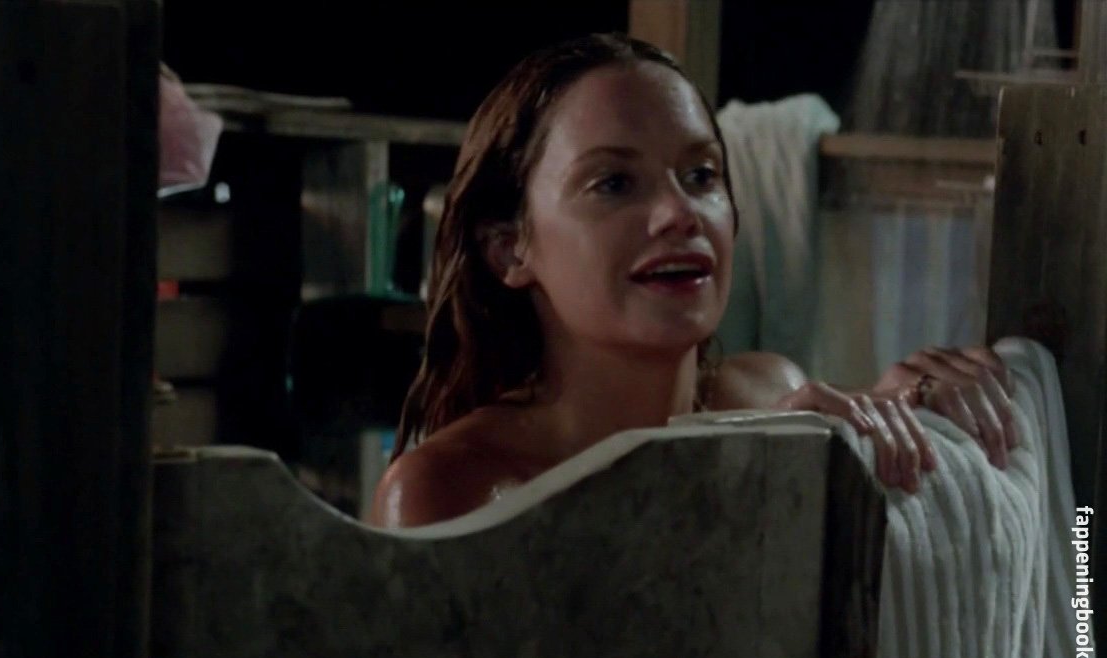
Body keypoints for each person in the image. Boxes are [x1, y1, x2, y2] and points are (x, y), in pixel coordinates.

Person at [368, 33, 1015, 529]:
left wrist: (912, 402)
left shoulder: (769, 397)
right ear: (511, 249)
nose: (680, 213)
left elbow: (869, 412)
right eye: (614, 183)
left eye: (701, 176)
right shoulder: (451, 492)